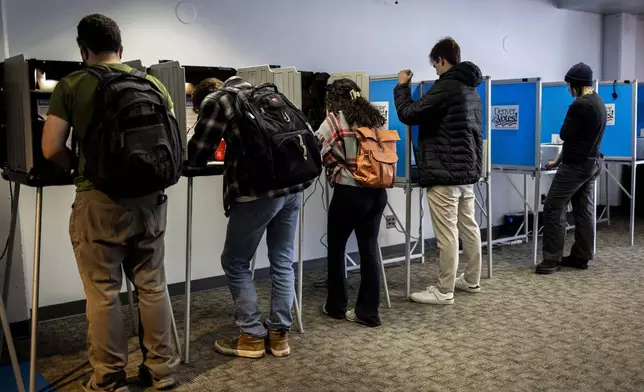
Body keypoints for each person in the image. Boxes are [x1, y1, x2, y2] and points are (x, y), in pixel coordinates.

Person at [42, 14, 179, 392]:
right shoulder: (151, 83)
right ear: (121, 49)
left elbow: (51, 148)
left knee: (103, 292)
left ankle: (109, 377)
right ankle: (162, 372)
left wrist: (80, 168)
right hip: (151, 201)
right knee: (152, 286)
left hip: (98, 200)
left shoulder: (71, 85)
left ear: (83, 50)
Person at [188, 77, 312, 359]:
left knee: (235, 261)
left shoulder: (217, 101)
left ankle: (252, 336)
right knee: (282, 259)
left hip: (257, 192)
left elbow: (197, 153)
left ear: (199, 100)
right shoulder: (267, 93)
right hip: (292, 188)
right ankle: (279, 336)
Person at [394, 37, 484, 305]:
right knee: (469, 227)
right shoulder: (471, 89)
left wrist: (401, 87)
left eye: (435, 65)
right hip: (467, 171)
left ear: (442, 60)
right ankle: (471, 279)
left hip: (444, 172)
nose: (435, 71)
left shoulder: (447, 86)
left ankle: (444, 290)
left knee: (447, 234)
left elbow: (410, 114)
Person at [316, 79, 388, 327]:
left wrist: (333, 164)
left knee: (336, 249)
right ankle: (368, 312)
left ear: (333, 99)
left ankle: (336, 306)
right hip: (377, 192)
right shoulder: (375, 119)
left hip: (350, 192)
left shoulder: (335, 120)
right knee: (369, 251)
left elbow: (316, 149)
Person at [536, 63, 605, 274]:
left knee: (553, 207)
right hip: (592, 163)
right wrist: (558, 161)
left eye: (569, 85)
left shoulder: (579, 105)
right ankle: (581, 256)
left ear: (576, 85)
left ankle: (551, 259)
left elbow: (565, 134)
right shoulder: (599, 102)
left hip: (575, 167)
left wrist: (561, 162)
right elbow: (579, 139)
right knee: (583, 210)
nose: (568, 89)